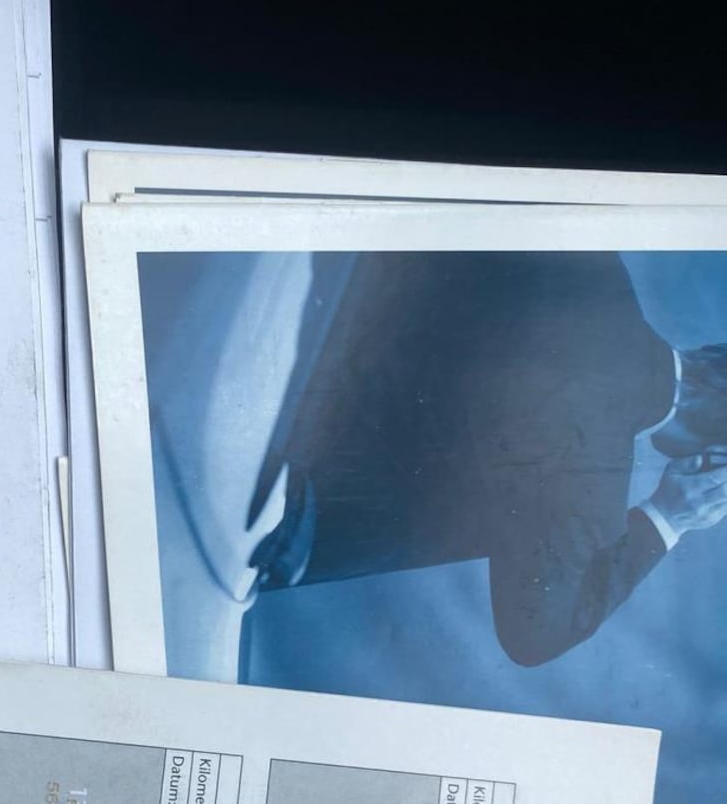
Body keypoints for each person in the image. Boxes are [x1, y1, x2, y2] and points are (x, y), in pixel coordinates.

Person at [246, 251, 727, 666]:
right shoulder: (585, 484)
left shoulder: (592, 260)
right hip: (256, 488)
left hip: (263, 294)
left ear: (713, 352)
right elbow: (536, 636)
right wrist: (666, 519)